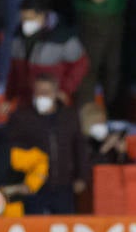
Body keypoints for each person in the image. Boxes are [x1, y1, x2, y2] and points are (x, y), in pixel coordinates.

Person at [6, 74, 90, 214]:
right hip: (33, 187)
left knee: (65, 229)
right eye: (38, 92)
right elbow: (12, 151)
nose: (41, 96)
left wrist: (82, 177)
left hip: (64, 185)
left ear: (56, 93)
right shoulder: (21, 118)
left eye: (46, 92)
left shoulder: (69, 116)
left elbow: (79, 148)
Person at [3, 0, 89, 107]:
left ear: (42, 15)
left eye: (30, 18)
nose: (25, 23)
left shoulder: (62, 36)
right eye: (23, 18)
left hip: (53, 98)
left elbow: (81, 64)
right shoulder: (18, 36)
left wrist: (65, 89)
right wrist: (9, 97)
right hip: (25, 99)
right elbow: (14, 70)